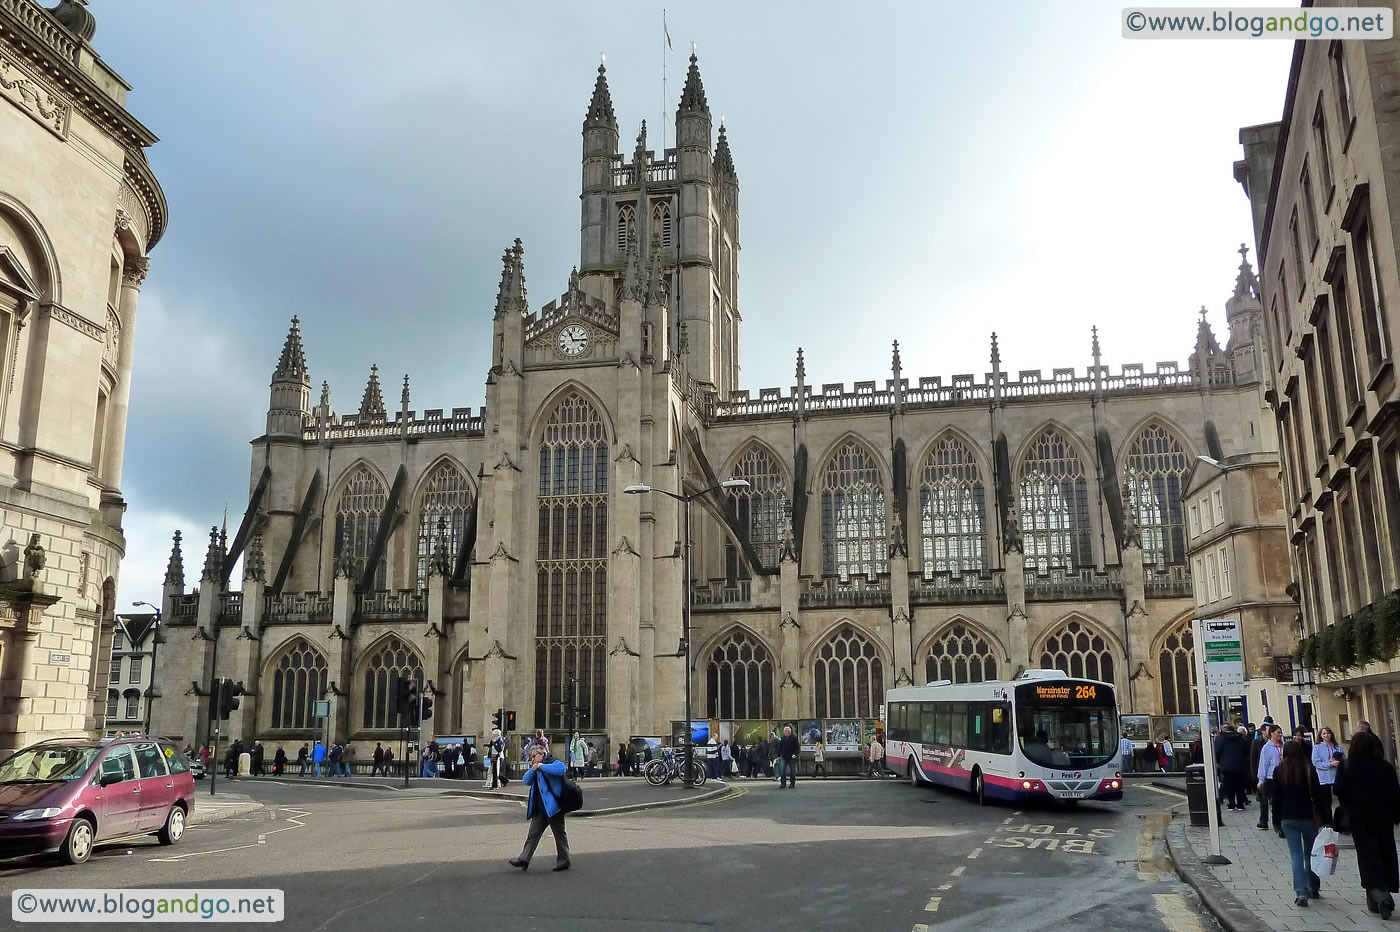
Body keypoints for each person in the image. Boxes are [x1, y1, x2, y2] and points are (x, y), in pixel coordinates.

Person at [1335, 730, 1400, 918]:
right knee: (1385, 852)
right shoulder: (1385, 767)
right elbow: (1395, 792)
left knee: (1367, 856)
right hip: (1383, 818)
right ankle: (1384, 890)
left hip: (1359, 819)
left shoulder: (1348, 766)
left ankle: (1379, 896)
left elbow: (1339, 789)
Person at [1273, 739, 1328, 907]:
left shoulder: (1279, 770)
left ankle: (1301, 892)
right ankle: (1314, 887)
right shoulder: (1309, 769)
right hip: (1308, 817)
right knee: (1310, 853)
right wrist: (1325, 818)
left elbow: (1276, 799)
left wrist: (1275, 820)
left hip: (1288, 818)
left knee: (1295, 855)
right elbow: (1318, 796)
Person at [509, 743, 571, 872]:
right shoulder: (536, 769)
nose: (532, 759)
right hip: (540, 808)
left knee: (559, 835)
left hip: (554, 808)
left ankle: (564, 861)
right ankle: (524, 859)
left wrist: (542, 766)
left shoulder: (553, 762)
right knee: (533, 834)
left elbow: (560, 770)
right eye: (531, 757)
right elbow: (526, 780)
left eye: (534, 756)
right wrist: (533, 769)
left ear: (542, 754)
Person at [1214, 723, 1251, 810]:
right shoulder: (1241, 738)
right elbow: (1247, 751)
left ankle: (1231, 804)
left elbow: (1217, 752)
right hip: (1240, 766)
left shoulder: (1220, 739)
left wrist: (1219, 762)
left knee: (1229, 786)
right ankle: (1240, 804)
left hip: (1226, 766)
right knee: (1240, 786)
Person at [1310, 726, 1344, 821]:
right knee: (1326, 802)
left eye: (1328, 733)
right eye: (1324, 733)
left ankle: (1341, 821)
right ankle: (1328, 821)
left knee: (1341, 800)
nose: (1326, 735)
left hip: (1336, 776)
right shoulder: (1317, 747)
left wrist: (1338, 762)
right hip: (1324, 778)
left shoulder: (1337, 747)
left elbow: (1344, 759)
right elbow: (1316, 763)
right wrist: (1329, 764)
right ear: (1320, 735)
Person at [1256, 724, 1284, 837]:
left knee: (1279, 801)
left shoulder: (1284, 746)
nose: (1280, 735)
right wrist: (1261, 779)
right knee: (1267, 799)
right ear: (1271, 733)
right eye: (1278, 732)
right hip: (1270, 777)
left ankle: (1279, 822)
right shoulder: (1267, 748)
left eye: (1280, 732)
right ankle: (1266, 821)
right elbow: (1263, 764)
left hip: (1283, 776)